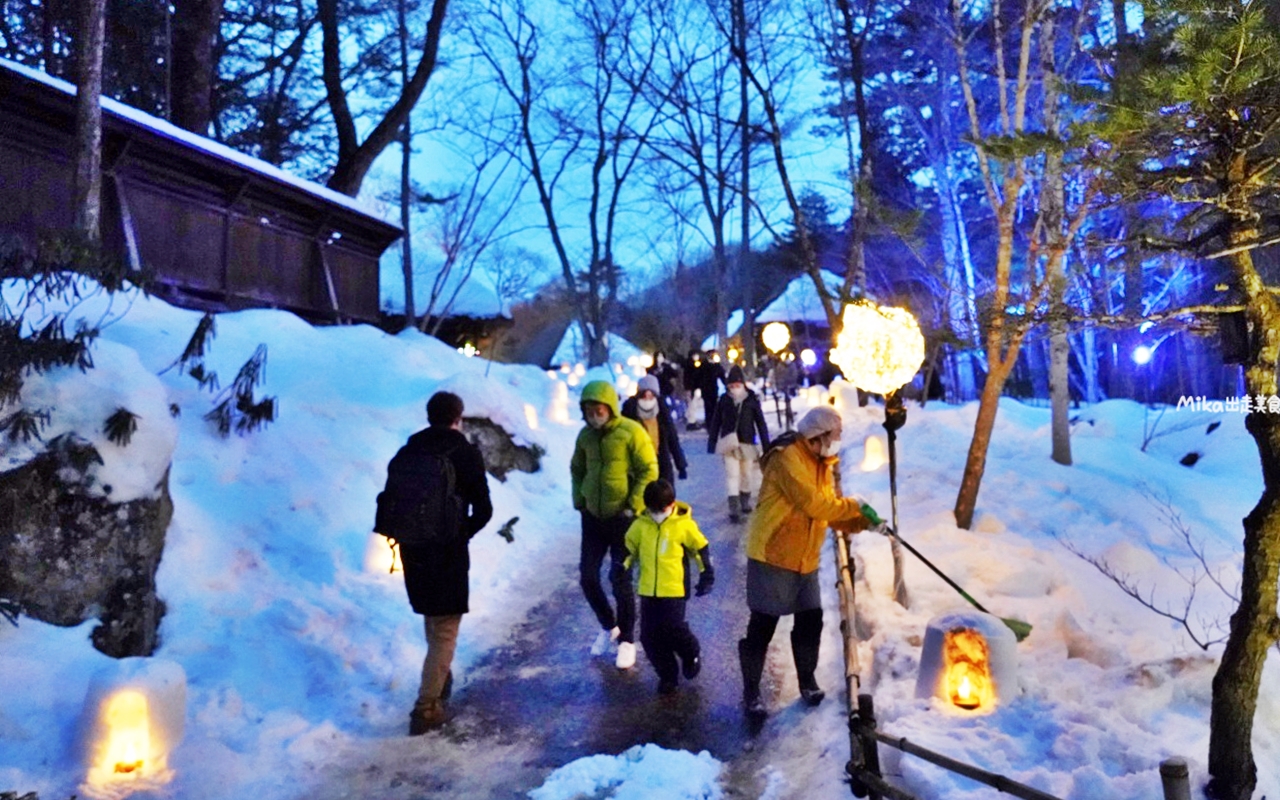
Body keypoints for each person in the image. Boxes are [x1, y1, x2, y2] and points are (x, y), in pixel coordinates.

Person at [738, 405, 879, 718]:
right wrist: (855, 506)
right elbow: (815, 504)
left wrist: (861, 523)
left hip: (805, 557)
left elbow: (826, 512)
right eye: (836, 435)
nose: (839, 441)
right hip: (774, 553)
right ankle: (750, 691)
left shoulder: (821, 462)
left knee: (810, 619)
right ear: (819, 435)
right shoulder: (788, 457)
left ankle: (807, 681)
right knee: (763, 624)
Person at [380, 391, 493, 735]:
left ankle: (439, 680)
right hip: (448, 552)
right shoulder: (464, 453)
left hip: (413, 552)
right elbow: (484, 510)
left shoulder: (408, 451)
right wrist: (462, 532)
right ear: (458, 417)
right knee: (445, 628)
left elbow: (391, 503)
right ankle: (426, 707)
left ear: (429, 416)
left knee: (434, 619)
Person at [571, 380, 659, 670]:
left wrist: (633, 505)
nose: (595, 416)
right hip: (592, 518)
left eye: (599, 410)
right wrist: (579, 499)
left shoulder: (631, 432)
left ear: (609, 408)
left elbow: (649, 469)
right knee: (587, 576)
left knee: (619, 580)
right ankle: (609, 625)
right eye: (589, 411)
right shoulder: (585, 437)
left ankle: (627, 640)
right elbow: (577, 469)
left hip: (622, 519)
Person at [624, 479, 714, 695]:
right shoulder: (640, 526)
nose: (658, 513)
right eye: (653, 509)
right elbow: (629, 550)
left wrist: (706, 574)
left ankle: (691, 652)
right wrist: (622, 566)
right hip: (648, 590)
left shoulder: (683, 525)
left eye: (662, 509)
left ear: (672, 504)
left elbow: (700, 549)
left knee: (673, 629)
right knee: (649, 637)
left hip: (674, 589)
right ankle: (667, 675)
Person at [706, 365, 770, 523]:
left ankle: (745, 500)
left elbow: (760, 422)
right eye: (732, 386)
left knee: (746, 474)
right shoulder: (724, 400)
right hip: (729, 443)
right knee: (732, 475)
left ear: (743, 384)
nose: (734, 388)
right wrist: (712, 441)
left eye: (737, 385)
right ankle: (733, 506)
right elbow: (716, 422)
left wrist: (766, 443)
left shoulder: (751, 400)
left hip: (747, 442)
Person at [622, 374, 689, 485]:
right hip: (638, 464)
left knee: (664, 497)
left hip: (661, 462)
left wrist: (681, 465)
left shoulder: (662, 411)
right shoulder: (630, 411)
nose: (647, 399)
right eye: (644, 395)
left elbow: (673, 439)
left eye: (651, 395)